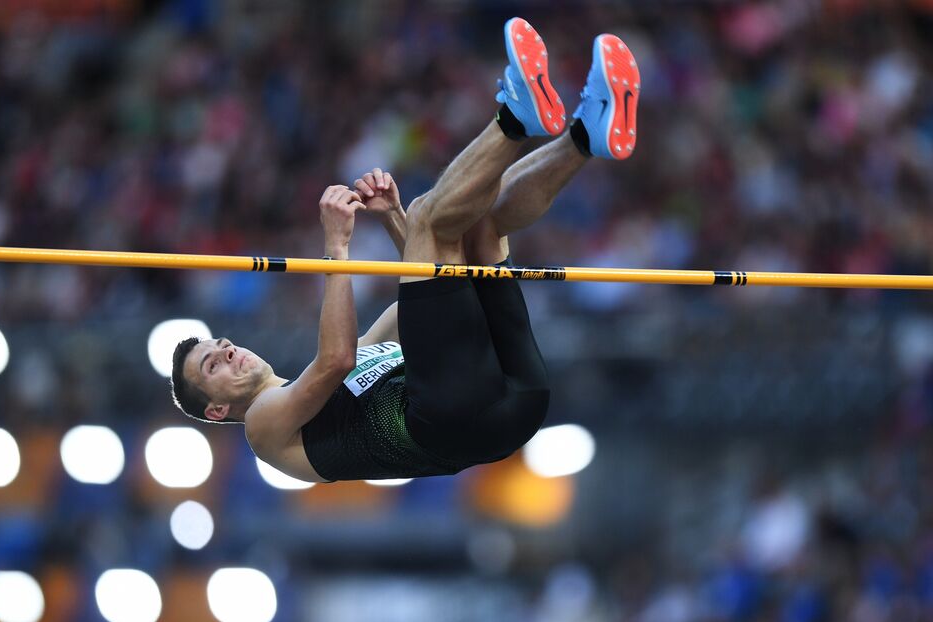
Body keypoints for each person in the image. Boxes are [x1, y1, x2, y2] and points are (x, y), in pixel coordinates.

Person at [170, 19, 640, 482]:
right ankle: (515, 120)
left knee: (480, 225)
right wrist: (337, 245)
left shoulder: (353, 369)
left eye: (222, 345)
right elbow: (336, 361)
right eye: (213, 364)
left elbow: (432, 289)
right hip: (452, 422)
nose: (228, 352)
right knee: (429, 216)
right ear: (216, 408)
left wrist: (394, 218)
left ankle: (585, 135)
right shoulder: (262, 427)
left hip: (508, 399)